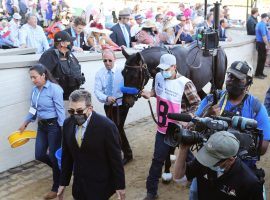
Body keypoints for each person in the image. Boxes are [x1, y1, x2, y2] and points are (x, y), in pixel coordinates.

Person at [191, 61, 270, 199]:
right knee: (194, 192)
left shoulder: (256, 108)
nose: (231, 81)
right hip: (209, 164)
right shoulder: (212, 100)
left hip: (241, 169)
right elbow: (194, 128)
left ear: (248, 82)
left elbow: (262, 148)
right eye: (230, 76)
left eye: (238, 78)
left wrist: (232, 142)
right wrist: (207, 115)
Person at [141, 54, 201, 200]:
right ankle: (151, 191)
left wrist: (188, 118)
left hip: (179, 129)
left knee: (186, 155)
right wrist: (150, 94)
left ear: (174, 67)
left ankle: (196, 179)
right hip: (162, 128)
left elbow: (197, 104)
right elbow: (157, 91)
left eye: (166, 69)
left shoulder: (185, 83)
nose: (163, 72)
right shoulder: (159, 77)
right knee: (157, 160)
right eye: (161, 69)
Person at [57, 89, 125, 200]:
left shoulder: (106, 127)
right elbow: (67, 156)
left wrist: (120, 186)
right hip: (79, 187)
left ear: (90, 108)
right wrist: (62, 183)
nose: (75, 115)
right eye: (71, 111)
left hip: (100, 186)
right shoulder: (67, 124)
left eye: (79, 111)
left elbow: (115, 159)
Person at [19, 64, 65, 200]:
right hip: (42, 126)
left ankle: (56, 186)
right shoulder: (34, 91)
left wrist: (63, 128)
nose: (33, 80)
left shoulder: (55, 89)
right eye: (31, 78)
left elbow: (60, 109)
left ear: (43, 75)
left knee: (52, 155)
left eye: (35, 77)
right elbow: (33, 109)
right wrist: (25, 123)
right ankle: (62, 171)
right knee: (39, 154)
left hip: (54, 126)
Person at [174, 131, 263, 200]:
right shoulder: (203, 161)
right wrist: (183, 149)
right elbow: (179, 177)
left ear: (230, 160)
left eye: (213, 161)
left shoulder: (249, 183)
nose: (207, 163)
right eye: (207, 156)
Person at [94, 49, 133, 165]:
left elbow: (130, 85)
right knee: (113, 129)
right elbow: (97, 91)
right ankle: (119, 153)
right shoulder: (99, 74)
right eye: (104, 60)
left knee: (117, 128)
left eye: (110, 60)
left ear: (115, 59)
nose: (107, 63)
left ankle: (126, 154)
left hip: (121, 105)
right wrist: (107, 98)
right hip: (109, 106)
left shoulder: (122, 72)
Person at [39, 31, 85, 100]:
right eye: (69, 41)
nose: (71, 43)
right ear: (62, 43)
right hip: (58, 97)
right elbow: (41, 75)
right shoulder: (50, 55)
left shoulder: (68, 53)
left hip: (73, 94)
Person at [255, 13, 270, 79]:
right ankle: (257, 74)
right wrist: (268, 45)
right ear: (265, 18)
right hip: (261, 44)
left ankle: (261, 72)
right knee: (260, 59)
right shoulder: (261, 25)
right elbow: (264, 36)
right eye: (267, 17)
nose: (268, 19)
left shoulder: (262, 24)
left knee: (263, 59)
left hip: (262, 43)